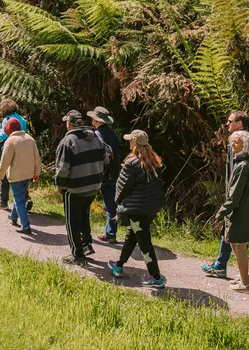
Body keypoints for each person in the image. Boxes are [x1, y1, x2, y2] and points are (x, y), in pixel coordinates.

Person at [201, 111, 249, 282]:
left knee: (237, 232)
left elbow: (236, 173)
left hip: (244, 195)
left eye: (230, 121)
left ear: (240, 124)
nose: (227, 124)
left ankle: (238, 270)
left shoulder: (241, 144)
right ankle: (247, 269)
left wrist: (229, 200)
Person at [108, 131, 166, 289]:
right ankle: (119, 265)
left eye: (130, 141)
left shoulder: (131, 163)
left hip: (136, 209)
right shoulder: (153, 160)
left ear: (134, 143)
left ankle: (156, 277)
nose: (128, 143)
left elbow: (122, 187)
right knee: (131, 236)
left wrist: (117, 203)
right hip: (150, 208)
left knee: (144, 242)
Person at [211, 129, 249, 293]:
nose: (232, 145)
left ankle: (246, 284)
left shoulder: (242, 165)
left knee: (238, 244)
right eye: (231, 142)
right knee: (236, 243)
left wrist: (221, 213)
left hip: (240, 211)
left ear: (246, 144)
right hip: (248, 210)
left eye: (236, 142)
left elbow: (234, 196)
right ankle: (244, 278)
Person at [55, 109, 109, 266]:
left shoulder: (68, 142)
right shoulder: (96, 138)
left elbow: (63, 169)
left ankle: (77, 255)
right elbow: (106, 161)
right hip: (93, 186)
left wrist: (60, 186)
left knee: (72, 221)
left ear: (69, 124)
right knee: (84, 216)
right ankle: (86, 245)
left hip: (75, 188)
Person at [0, 116, 41, 237]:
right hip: (28, 175)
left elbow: (4, 162)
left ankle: (26, 226)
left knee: (19, 200)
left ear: (8, 130)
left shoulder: (10, 142)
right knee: (19, 196)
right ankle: (13, 217)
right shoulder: (30, 139)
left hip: (16, 176)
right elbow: (37, 158)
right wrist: (36, 173)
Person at [88, 106, 121, 244]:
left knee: (85, 202)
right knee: (110, 205)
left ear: (96, 120)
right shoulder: (113, 135)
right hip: (113, 174)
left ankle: (84, 233)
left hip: (98, 174)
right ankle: (111, 233)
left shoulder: (96, 135)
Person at [0, 100, 28, 209]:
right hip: (21, 146)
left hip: (9, 146)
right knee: (22, 176)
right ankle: (26, 199)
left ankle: (3, 201)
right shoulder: (22, 119)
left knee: (5, 173)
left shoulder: (7, 120)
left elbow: (3, 135)